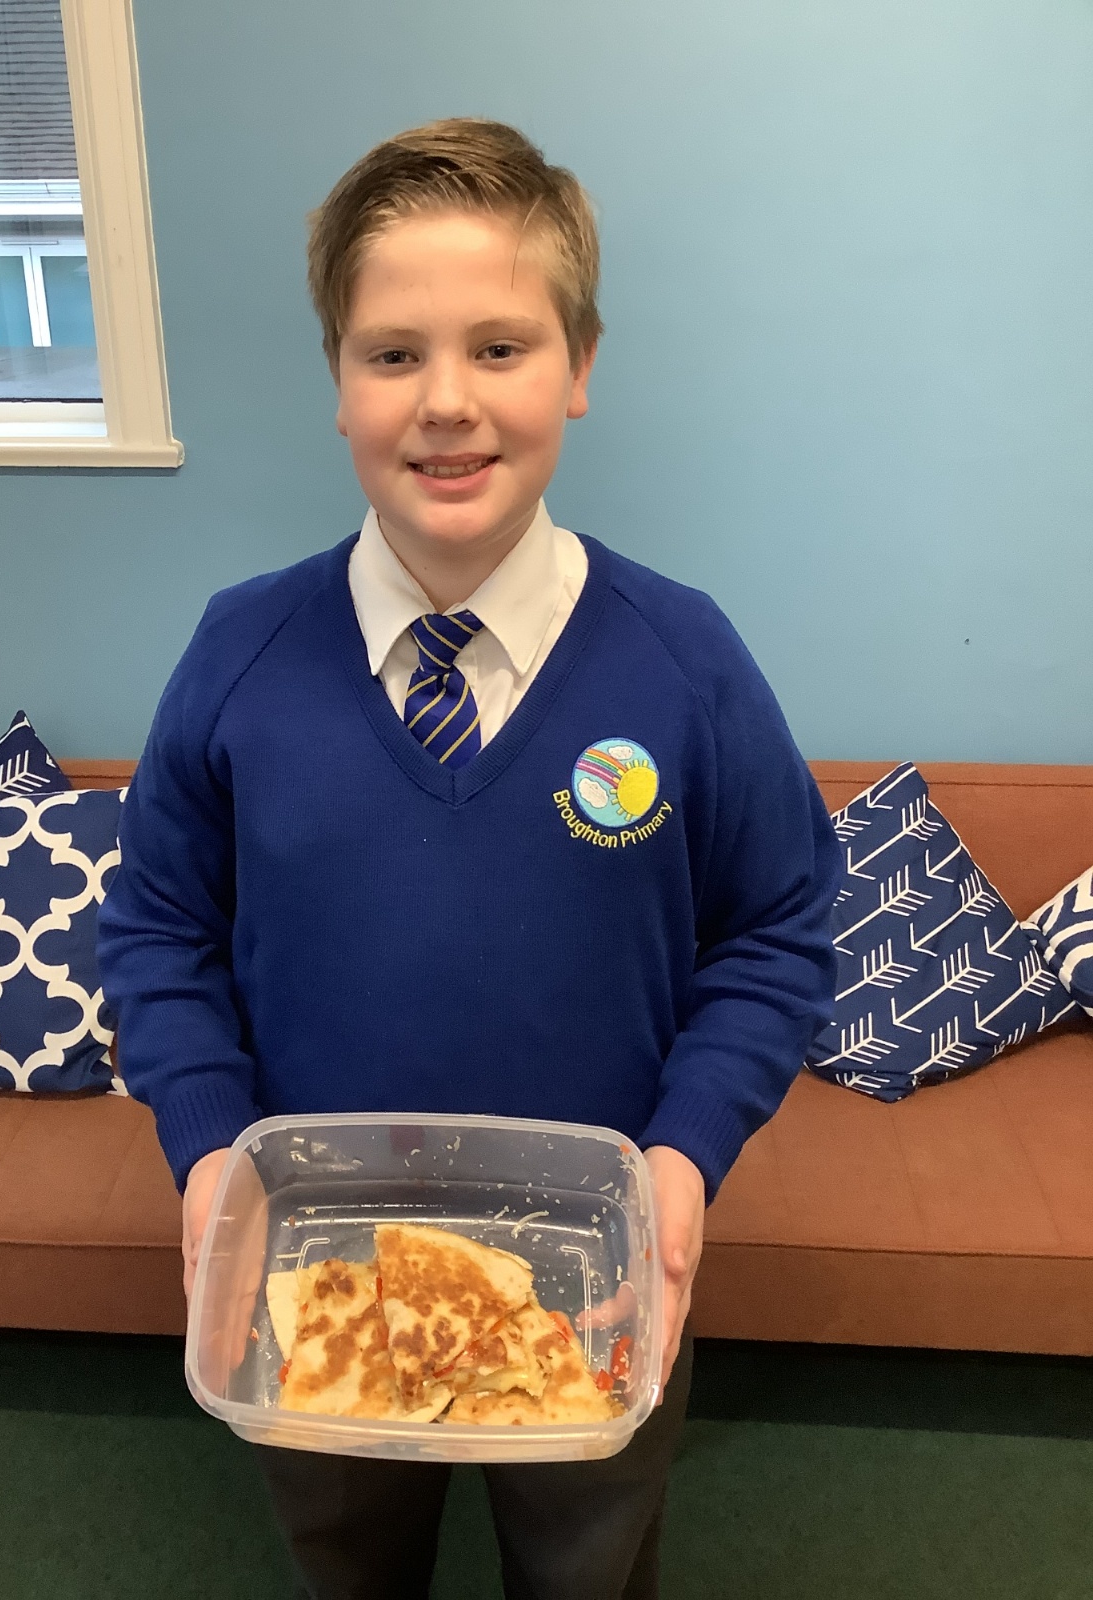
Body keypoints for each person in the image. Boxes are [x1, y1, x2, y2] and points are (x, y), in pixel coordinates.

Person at [97, 117, 841, 1600]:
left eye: (500, 347)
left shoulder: (684, 661)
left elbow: (778, 930)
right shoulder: (241, 654)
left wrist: (687, 1153)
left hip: (601, 1276)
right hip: (317, 1265)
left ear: (579, 364)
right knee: (349, 1560)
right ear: (337, 381)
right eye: (394, 354)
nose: (447, 401)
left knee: (587, 1564)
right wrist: (210, 1154)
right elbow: (159, 928)